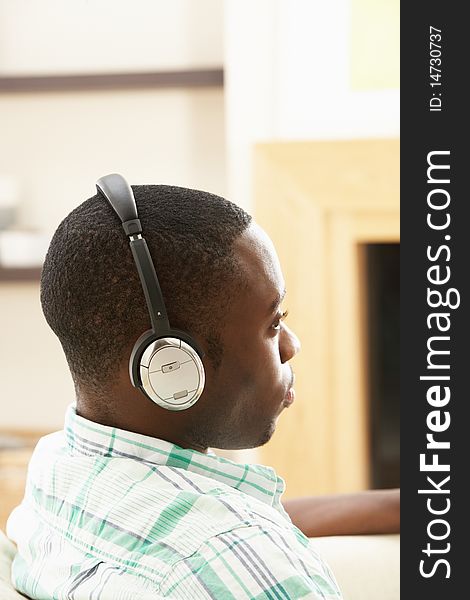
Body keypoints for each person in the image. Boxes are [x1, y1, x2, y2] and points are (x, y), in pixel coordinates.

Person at [7, 179, 398, 599]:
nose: (291, 345)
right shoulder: (235, 561)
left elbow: (206, 524)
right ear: (171, 367)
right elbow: (225, 545)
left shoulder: (61, 464)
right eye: (272, 325)